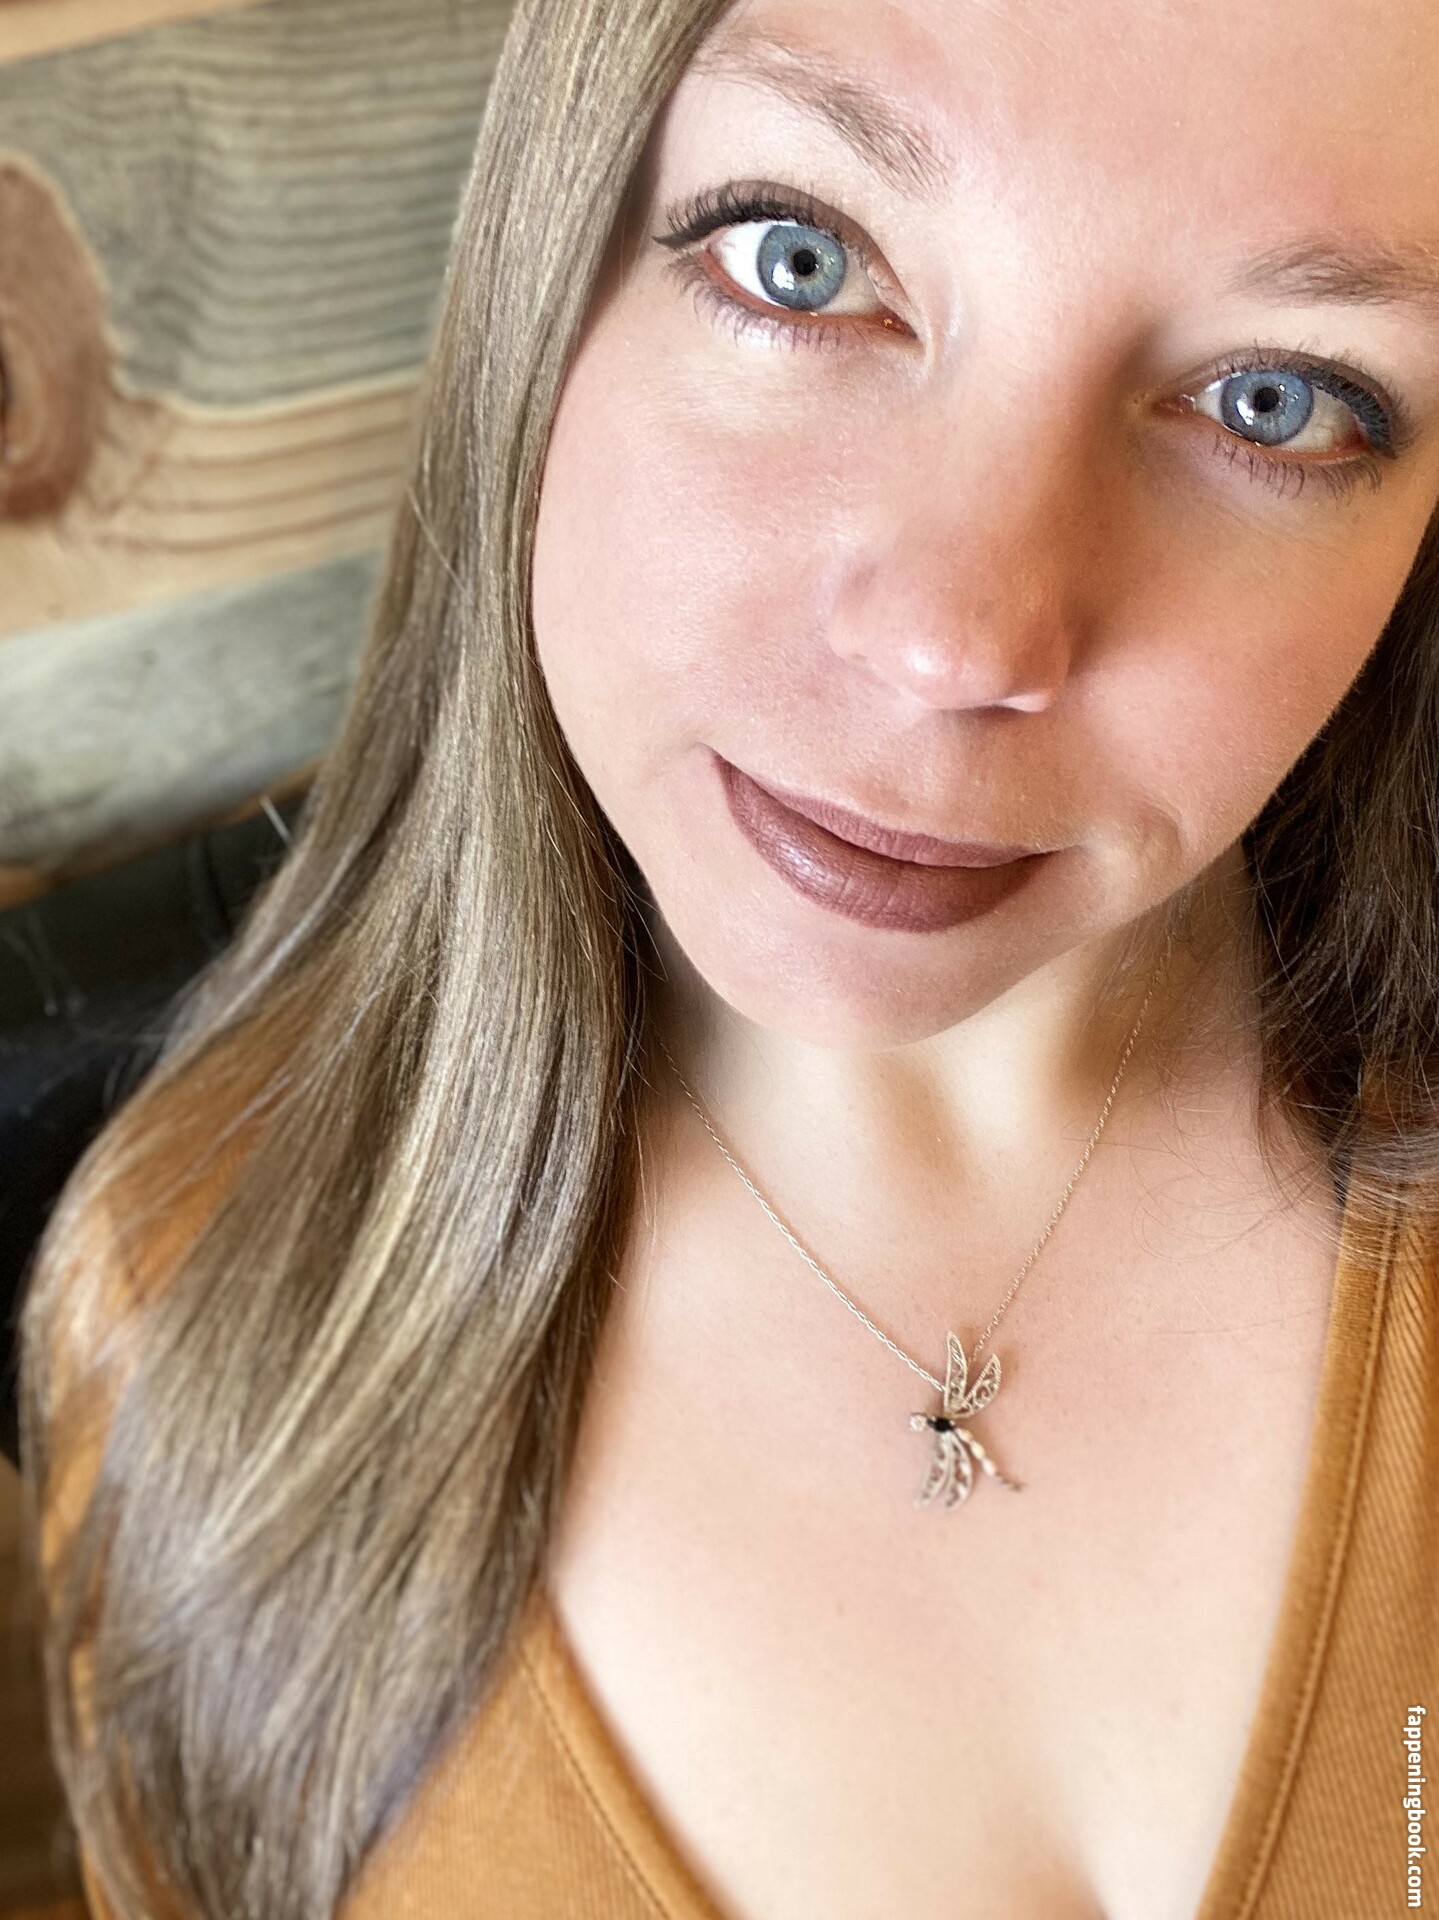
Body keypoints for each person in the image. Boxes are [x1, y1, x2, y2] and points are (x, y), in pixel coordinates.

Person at [22, 0, 1439, 1914]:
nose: (956, 642)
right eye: (801, 262)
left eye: (1275, 398)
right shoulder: (198, 1303)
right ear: (555, 277)